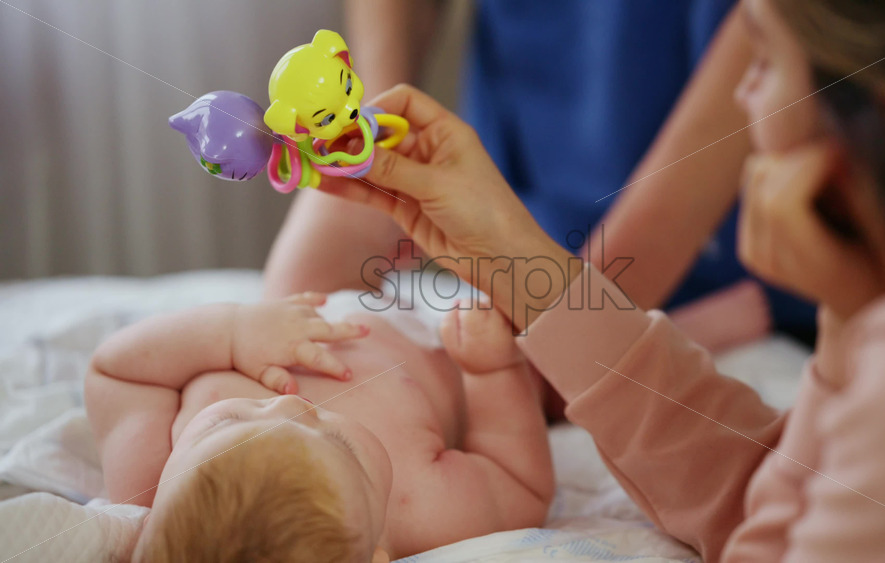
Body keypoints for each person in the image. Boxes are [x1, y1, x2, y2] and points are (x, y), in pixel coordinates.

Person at [310, 0, 885, 559]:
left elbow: (768, 536)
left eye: (759, 59)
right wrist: (515, 255)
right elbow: (768, 491)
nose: (740, 93)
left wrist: (849, 320)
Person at [263, 0, 816, 352]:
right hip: (530, 252)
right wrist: (361, 150)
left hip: (734, 249)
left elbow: (774, 38)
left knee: (561, 360)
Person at [85, 292, 553, 561]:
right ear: (377, 554)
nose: (291, 405)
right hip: (452, 338)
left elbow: (114, 372)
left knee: (351, 165)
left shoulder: (148, 481)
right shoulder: (423, 511)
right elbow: (520, 482)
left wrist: (231, 333)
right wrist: (493, 372)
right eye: (338, 442)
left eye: (226, 420)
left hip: (310, 295)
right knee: (567, 312)